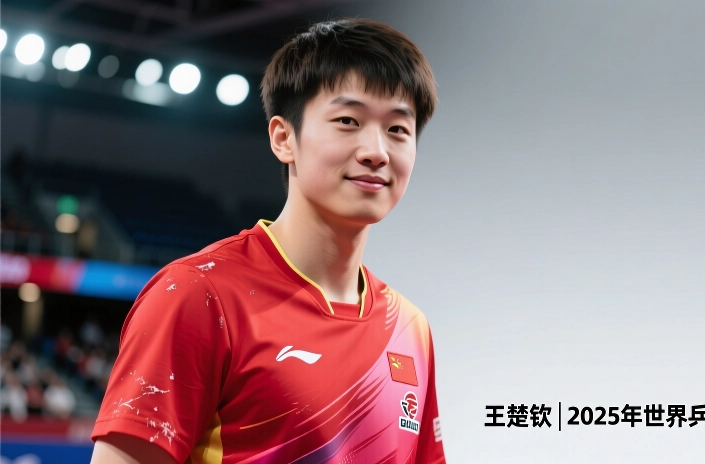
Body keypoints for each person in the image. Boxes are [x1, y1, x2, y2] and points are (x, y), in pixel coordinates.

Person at [90, 18, 445, 464]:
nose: (376, 151)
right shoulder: (199, 296)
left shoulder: (411, 328)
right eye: (348, 121)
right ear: (283, 138)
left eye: (397, 129)